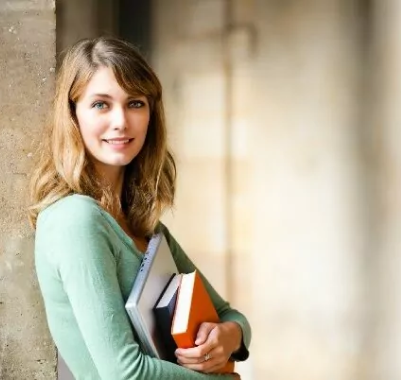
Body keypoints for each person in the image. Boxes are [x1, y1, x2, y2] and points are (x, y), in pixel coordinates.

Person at [28, 37, 251, 380]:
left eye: (135, 103)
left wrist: (228, 337)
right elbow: (124, 373)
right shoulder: (76, 220)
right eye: (101, 105)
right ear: (72, 115)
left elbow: (230, 315)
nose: (121, 121)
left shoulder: (143, 226)